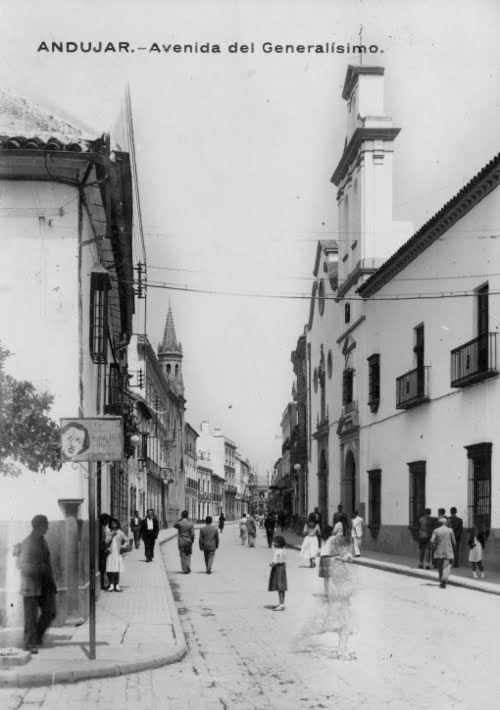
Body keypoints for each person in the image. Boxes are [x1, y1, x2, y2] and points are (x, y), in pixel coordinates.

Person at [19, 514, 57, 653]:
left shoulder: (43, 541)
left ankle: (37, 636)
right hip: (31, 585)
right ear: (39, 526)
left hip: (45, 583)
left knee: (51, 612)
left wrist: (51, 583)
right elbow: (22, 565)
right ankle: (30, 643)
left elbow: (47, 563)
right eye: (46, 525)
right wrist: (38, 568)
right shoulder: (27, 543)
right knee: (31, 616)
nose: (47, 527)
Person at [430, 517, 456, 588]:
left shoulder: (436, 530)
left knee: (439, 566)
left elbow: (432, 541)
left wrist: (434, 548)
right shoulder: (450, 530)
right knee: (447, 565)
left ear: (440, 523)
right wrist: (454, 549)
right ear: (446, 523)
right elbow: (454, 542)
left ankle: (441, 580)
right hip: (448, 551)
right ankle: (444, 579)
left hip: (439, 551)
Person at [105, 518, 128, 592]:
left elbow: (127, 540)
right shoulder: (109, 532)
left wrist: (123, 546)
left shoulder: (120, 532)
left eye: (115, 524)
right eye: (112, 524)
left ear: (117, 524)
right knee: (111, 569)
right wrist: (111, 535)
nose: (114, 525)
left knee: (117, 569)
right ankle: (111, 585)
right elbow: (106, 541)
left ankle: (117, 585)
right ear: (110, 525)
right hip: (111, 553)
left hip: (117, 553)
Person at [268, 535, 287, 611]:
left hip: (277, 569)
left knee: (279, 587)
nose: (273, 543)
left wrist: (271, 564)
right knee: (282, 587)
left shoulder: (277, 551)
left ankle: (281, 605)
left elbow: (275, 561)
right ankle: (281, 603)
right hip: (282, 568)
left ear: (278, 543)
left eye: (275, 542)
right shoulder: (284, 550)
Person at [318, 525, 335, 594]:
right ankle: (330, 591)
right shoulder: (332, 538)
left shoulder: (322, 538)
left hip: (322, 558)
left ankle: (326, 591)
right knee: (331, 576)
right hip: (329, 557)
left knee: (326, 577)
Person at [99, 513, 112, 590]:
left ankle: (108, 584)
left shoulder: (106, 528)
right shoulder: (104, 527)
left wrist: (105, 546)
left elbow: (107, 539)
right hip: (104, 549)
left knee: (105, 567)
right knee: (104, 567)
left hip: (106, 549)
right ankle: (106, 584)